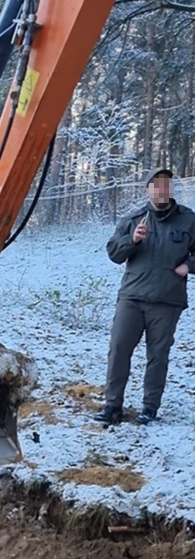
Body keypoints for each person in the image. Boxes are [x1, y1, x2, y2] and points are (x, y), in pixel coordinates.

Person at [94, 167, 195, 426]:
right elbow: (114, 254)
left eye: (166, 185)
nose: (161, 190)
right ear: (148, 189)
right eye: (156, 185)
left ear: (171, 190)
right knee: (118, 349)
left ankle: (150, 408)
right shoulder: (134, 219)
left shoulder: (188, 220)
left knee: (157, 355)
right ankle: (112, 406)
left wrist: (188, 266)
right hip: (132, 297)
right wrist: (133, 239)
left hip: (167, 299)